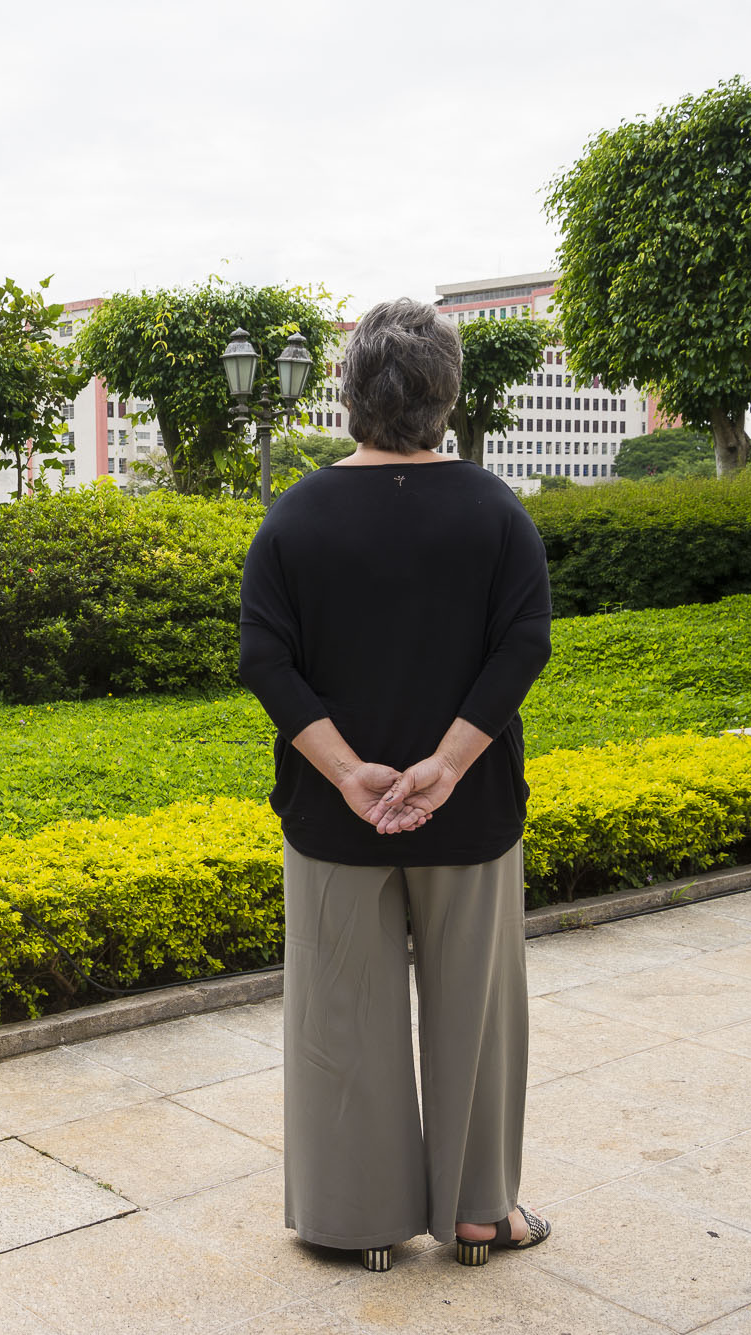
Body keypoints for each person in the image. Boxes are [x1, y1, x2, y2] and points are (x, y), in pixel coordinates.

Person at [237, 297, 554, 1273]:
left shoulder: (293, 516)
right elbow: (520, 647)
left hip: (333, 821)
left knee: (341, 1016)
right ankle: (475, 1213)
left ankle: (358, 1220)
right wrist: (445, 766)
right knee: (476, 1014)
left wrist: (346, 773)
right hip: (471, 811)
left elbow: (264, 658)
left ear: (347, 395)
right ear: (448, 394)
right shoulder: (497, 513)